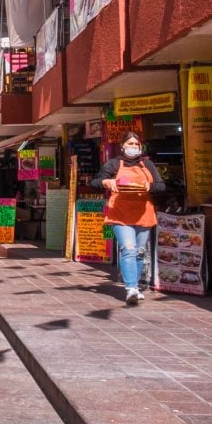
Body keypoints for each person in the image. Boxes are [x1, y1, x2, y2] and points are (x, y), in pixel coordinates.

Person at [91, 131, 166, 305]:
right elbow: (95, 181)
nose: (133, 147)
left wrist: (150, 185)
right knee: (129, 248)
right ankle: (131, 288)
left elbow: (161, 186)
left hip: (143, 211)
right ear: (123, 146)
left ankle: (136, 286)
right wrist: (106, 182)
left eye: (136, 144)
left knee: (140, 252)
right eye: (130, 144)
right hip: (120, 212)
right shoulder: (113, 164)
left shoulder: (148, 164)